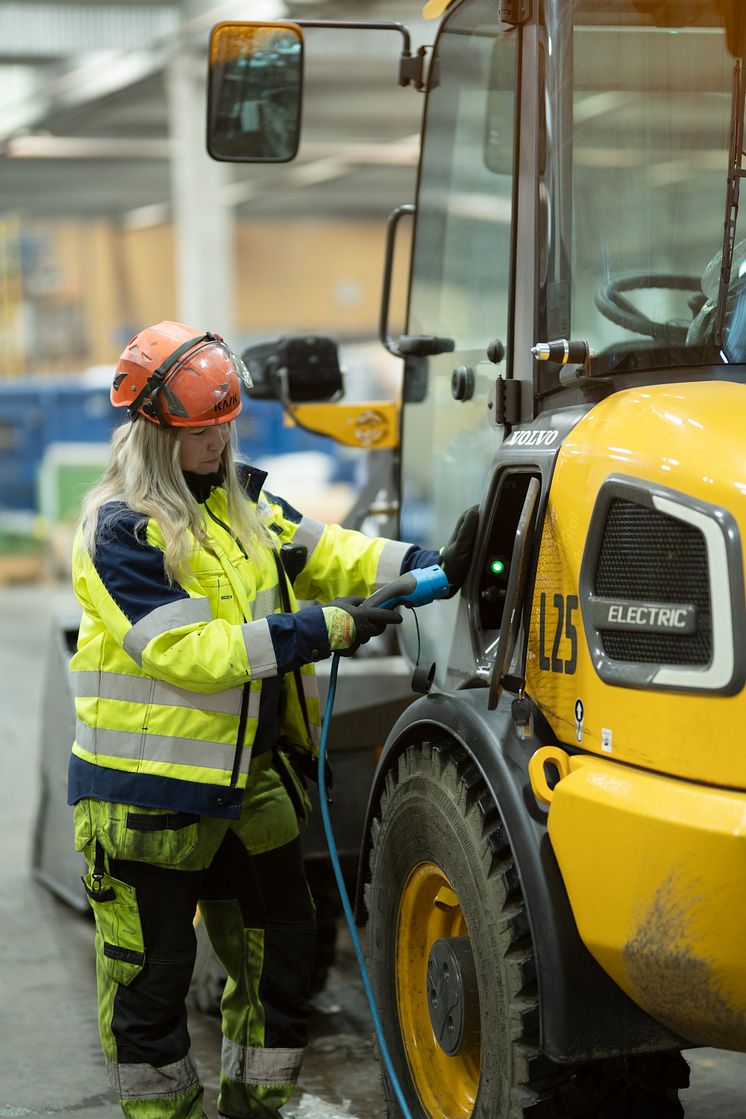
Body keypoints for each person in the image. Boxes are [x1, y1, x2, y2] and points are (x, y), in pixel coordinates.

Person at [67, 320, 478, 1119]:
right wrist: (328, 626)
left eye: (226, 421)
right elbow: (195, 652)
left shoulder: (239, 502)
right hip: (147, 806)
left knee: (280, 962)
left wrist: (431, 564)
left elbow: (331, 551)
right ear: (154, 431)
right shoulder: (122, 532)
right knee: (150, 990)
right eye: (200, 429)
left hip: (249, 787)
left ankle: (257, 1107)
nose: (219, 439)